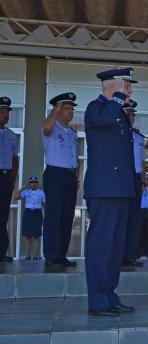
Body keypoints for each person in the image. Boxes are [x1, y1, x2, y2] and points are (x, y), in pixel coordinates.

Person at [84, 67, 137, 316]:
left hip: (120, 189)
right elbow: (104, 120)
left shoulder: (119, 114)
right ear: (112, 86)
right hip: (104, 189)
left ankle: (110, 295)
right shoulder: (96, 108)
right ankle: (98, 300)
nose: (130, 90)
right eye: (126, 86)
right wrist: (117, 98)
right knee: (101, 246)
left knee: (115, 248)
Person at [41, 92, 79, 267]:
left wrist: (76, 176)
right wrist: (53, 112)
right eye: (67, 109)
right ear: (58, 110)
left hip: (69, 176)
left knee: (66, 217)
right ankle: (51, 255)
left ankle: (61, 255)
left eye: (72, 109)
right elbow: (46, 127)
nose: (70, 112)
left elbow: (74, 157)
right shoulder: (51, 126)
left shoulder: (72, 132)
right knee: (53, 216)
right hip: (55, 174)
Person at [122, 100, 146, 267]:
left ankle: (131, 255)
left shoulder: (138, 136)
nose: (131, 117)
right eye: (128, 113)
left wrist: (143, 181)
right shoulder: (118, 134)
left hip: (136, 178)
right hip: (123, 178)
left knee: (134, 219)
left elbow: (142, 162)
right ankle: (120, 255)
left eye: (132, 114)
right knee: (122, 218)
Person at [0, 96, 18, 262]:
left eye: (7, 112)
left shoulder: (12, 135)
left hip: (5, 178)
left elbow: (14, 159)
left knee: (3, 215)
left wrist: (12, 181)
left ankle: (1, 252)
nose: (5, 115)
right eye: (2, 112)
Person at [15, 177, 45, 260]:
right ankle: (28, 255)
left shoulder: (41, 192)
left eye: (35, 182)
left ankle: (35, 256)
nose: (33, 183)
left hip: (37, 213)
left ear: (37, 183)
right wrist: (22, 188)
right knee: (27, 235)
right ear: (29, 183)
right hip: (28, 213)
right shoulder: (25, 192)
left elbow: (45, 205)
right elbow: (16, 197)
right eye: (31, 182)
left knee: (36, 235)